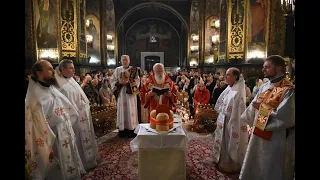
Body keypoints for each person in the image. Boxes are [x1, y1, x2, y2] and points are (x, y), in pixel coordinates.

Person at [25, 60, 85, 180]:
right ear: (39, 73)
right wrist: (48, 146)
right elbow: (36, 126)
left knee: (70, 160)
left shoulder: (49, 88)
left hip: (65, 132)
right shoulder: (35, 97)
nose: (53, 71)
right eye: (49, 69)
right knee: (60, 167)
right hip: (54, 138)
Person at [239, 55, 295, 180]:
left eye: (267, 67)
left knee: (270, 168)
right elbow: (255, 106)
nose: (263, 70)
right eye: (263, 67)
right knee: (257, 163)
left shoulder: (287, 89)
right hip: (258, 131)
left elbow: (286, 117)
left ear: (279, 68)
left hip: (275, 138)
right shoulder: (265, 86)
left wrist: (262, 109)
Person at [54, 59, 99, 170]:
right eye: (71, 68)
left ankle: (90, 160)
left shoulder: (71, 80)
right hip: (75, 117)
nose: (74, 69)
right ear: (63, 69)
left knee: (87, 137)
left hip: (84, 114)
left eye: (73, 67)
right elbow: (64, 104)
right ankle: (82, 164)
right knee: (79, 139)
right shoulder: (58, 85)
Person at [212, 67, 248, 174]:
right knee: (222, 142)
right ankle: (221, 161)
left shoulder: (238, 91)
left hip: (231, 122)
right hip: (223, 120)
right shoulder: (230, 88)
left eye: (228, 75)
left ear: (235, 77)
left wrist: (230, 121)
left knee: (229, 142)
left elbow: (238, 111)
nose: (225, 77)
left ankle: (230, 166)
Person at [110, 55, 140, 138]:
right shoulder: (118, 69)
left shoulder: (134, 70)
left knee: (131, 110)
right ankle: (122, 130)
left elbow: (137, 80)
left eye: (126, 60)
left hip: (130, 94)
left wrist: (129, 82)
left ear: (129, 61)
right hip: (121, 93)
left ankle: (132, 129)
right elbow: (112, 80)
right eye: (123, 60)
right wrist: (119, 83)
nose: (125, 61)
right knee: (122, 110)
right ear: (121, 61)